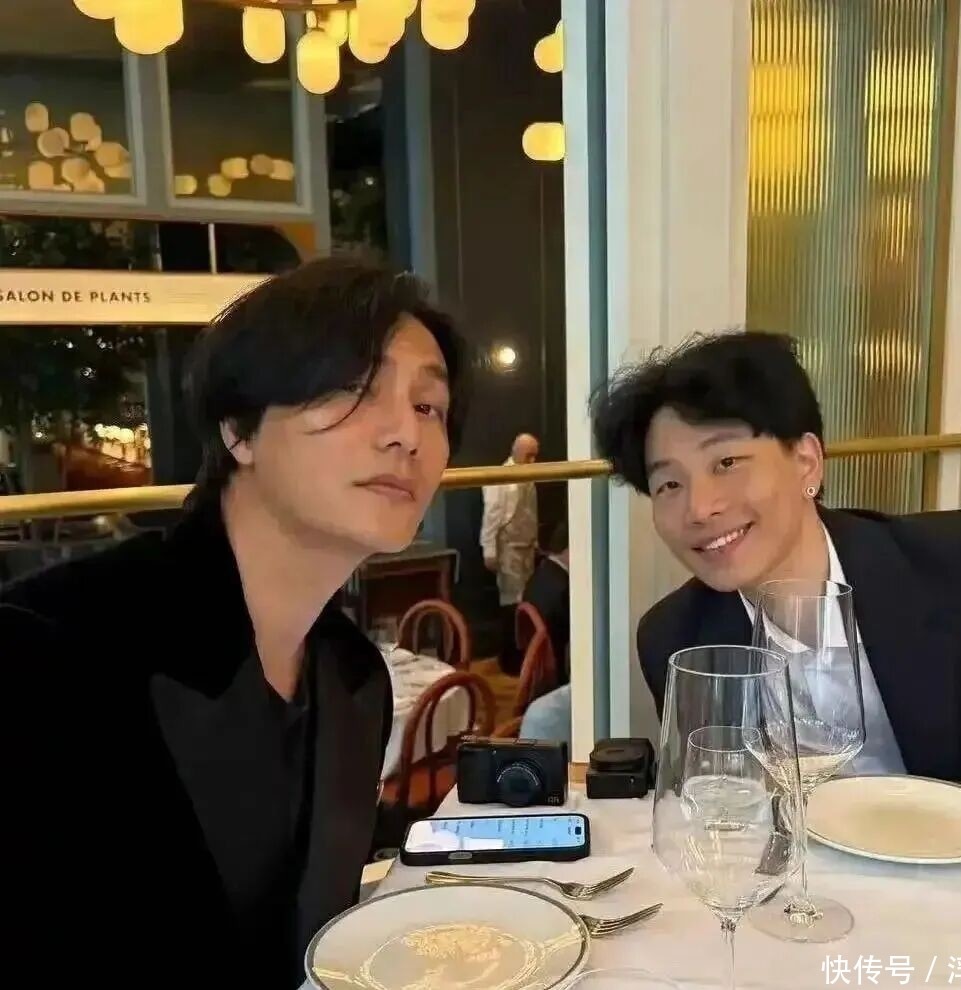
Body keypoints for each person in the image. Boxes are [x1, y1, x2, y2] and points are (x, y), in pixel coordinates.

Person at [0, 256, 469, 986]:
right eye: (353, 389)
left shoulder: (354, 681)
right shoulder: (50, 648)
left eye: (429, 406)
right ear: (238, 429)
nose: (405, 433)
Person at [591, 330, 961, 786]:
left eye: (727, 462)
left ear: (807, 462)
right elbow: (722, 805)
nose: (700, 508)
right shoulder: (676, 639)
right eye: (669, 484)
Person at [480, 432, 540, 672]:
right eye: (529, 455)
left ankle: (525, 655)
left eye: (535, 456)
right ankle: (510, 658)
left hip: (527, 547)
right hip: (508, 549)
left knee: (526, 601)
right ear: (516, 452)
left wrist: (535, 541)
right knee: (510, 602)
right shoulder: (501, 478)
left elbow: (531, 512)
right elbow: (491, 516)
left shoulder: (530, 476)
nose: (533, 461)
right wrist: (489, 550)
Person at [522, 521, 571, 682]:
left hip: (537, 667)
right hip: (558, 671)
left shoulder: (539, 574)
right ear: (569, 550)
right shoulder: (565, 587)